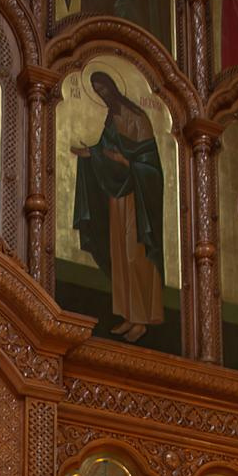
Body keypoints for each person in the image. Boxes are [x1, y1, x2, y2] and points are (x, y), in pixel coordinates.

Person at [70, 71, 167, 345]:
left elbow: (150, 166)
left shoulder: (137, 119)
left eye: (104, 90)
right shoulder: (111, 118)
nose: (102, 96)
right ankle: (128, 314)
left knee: (134, 255)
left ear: (114, 88)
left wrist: (125, 162)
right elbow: (105, 149)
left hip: (137, 200)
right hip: (117, 196)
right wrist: (90, 154)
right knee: (120, 253)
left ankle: (143, 319)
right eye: (97, 92)